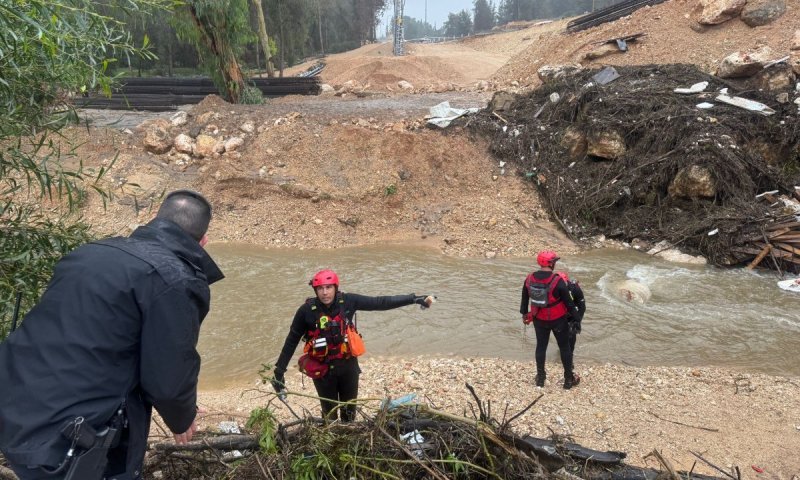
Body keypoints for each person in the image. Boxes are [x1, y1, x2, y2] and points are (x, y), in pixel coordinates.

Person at [0, 190, 224, 480]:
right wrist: (182, 417)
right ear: (203, 242)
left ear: (153, 219)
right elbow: (168, 370)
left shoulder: (89, 251)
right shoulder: (175, 277)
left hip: (16, 409)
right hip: (70, 440)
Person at [271, 269, 434, 422]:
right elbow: (291, 341)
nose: (325, 292)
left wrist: (413, 299)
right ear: (315, 290)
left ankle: (348, 433)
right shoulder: (306, 311)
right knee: (329, 413)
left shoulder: (348, 302)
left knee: (349, 412)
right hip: (323, 373)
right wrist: (279, 372)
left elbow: (380, 302)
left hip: (348, 367)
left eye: (328, 287)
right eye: (320, 288)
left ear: (335, 288)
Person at [520, 250, 581, 390]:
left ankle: (540, 378)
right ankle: (568, 380)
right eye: (554, 261)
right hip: (558, 320)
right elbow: (569, 304)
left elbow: (524, 300)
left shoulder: (529, 279)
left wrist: (524, 314)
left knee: (541, 347)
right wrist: (577, 319)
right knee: (564, 347)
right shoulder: (557, 281)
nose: (555, 263)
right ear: (551, 264)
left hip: (539, 319)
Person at [556, 271, 585, 355]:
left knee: (571, 336)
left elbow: (582, 307)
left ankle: (570, 355)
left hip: (572, 314)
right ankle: (562, 352)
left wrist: (578, 320)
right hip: (559, 314)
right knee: (560, 336)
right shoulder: (552, 287)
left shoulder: (575, 288)